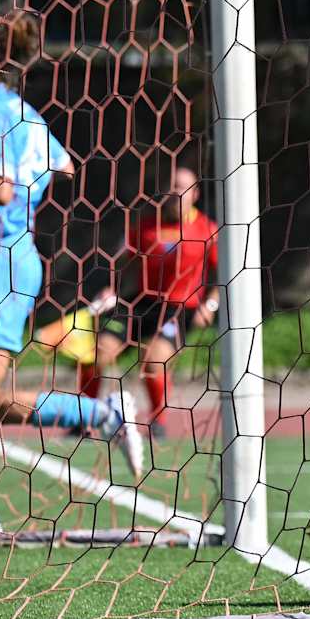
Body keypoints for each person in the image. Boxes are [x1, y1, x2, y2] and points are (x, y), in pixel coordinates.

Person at [0, 14, 143, 532]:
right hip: (8, 255)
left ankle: (101, 415)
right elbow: (65, 164)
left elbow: (1, 188)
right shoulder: (23, 112)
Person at [81, 162, 219, 437]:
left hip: (180, 308)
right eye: (172, 187)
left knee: (153, 360)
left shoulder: (207, 229)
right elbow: (123, 262)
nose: (176, 192)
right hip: (141, 303)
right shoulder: (145, 226)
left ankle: (158, 422)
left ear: (195, 194)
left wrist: (211, 305)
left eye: (183, 188)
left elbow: (224, 272)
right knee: (96, 353)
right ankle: (85, 418)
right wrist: (112, 289)